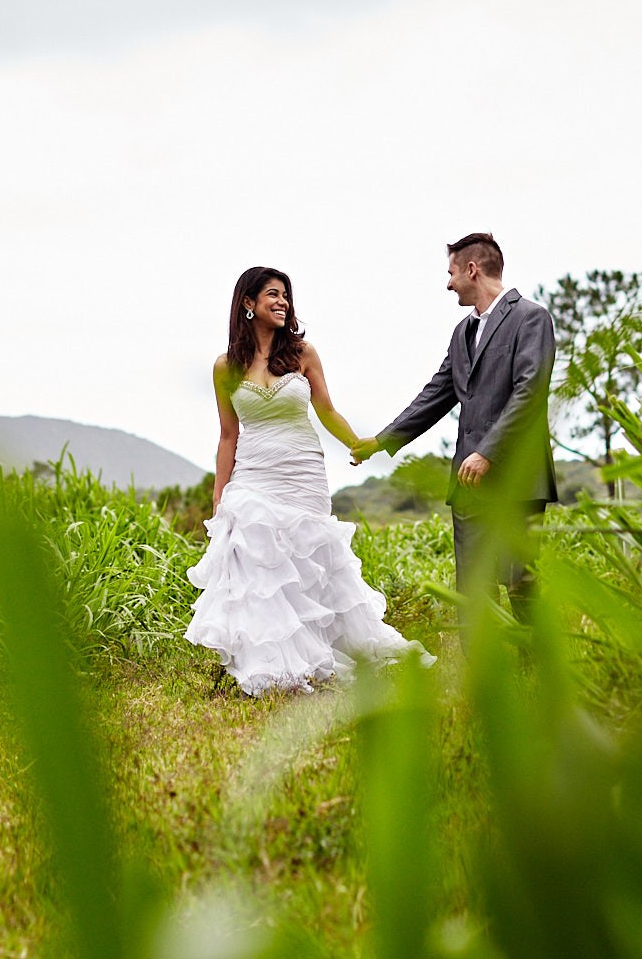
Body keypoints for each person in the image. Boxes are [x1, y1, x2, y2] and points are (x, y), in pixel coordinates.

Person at [185, 266, 430, 695]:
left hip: (302, 472)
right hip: (253, 474)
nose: (282, 302)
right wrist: (219, 492)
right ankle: (270, 663)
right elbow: (228, 435)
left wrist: (359, 443)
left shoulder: (301, 354)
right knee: (259, 565)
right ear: (248, 303)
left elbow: (327, 410)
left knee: (307, 565)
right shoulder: (226, 366)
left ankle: (320, 651)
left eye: (286, 296)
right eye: (273, 295)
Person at [351, 233, 557, 605]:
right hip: (469, 482)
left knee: (521, 584)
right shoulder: (462, 331)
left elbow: (530, 392)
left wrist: (488, 452)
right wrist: (382, 441)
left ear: (472, 270)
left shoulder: (532, 318)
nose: (448, 283)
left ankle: (536, 664)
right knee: (473, 590)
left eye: (451, 272)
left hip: (517, 478)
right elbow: (438, 393)